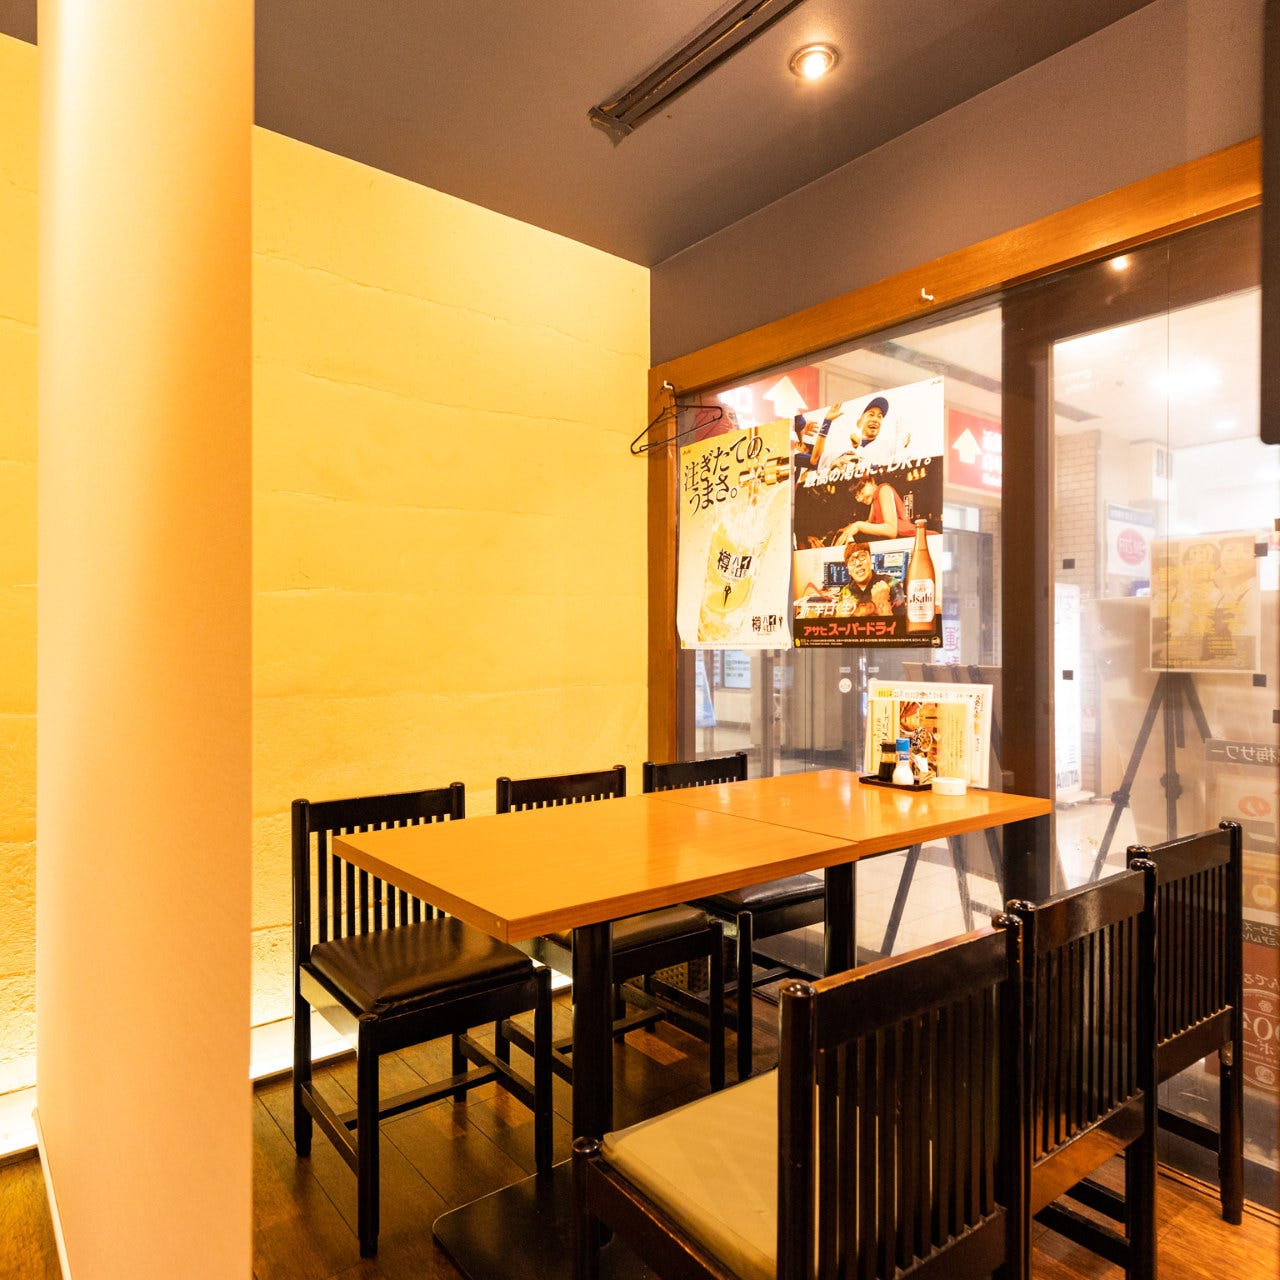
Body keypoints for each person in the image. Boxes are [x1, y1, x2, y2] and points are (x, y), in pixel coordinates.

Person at [837, 475, 916, 541]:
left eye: (862, 492)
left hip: (909, 540)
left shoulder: (884, 490)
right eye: (857, 496)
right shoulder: (874, 499)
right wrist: (848, 528)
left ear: (872, 481)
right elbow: (869, 523)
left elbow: (891, 530)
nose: (860, 499)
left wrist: (858, 525)